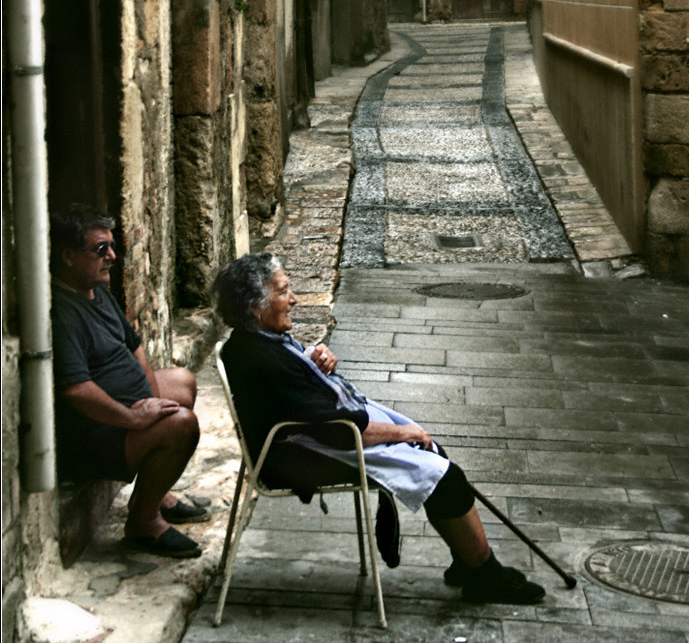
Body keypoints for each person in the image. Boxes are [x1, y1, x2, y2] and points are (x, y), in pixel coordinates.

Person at [212, 252, 545, 604]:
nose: (293, 299)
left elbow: (295, 383)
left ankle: (469, 562)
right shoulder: (261, 358)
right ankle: (484, 573)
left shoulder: (256, 340)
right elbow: (337, 427)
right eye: (283, 292)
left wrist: (315, 360)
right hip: (303, 452)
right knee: (444, 476)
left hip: (308, 437)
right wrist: (404, 433)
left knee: (434, 456)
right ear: (254, 307)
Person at [50, 204, 209, 558]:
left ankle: (154, 491)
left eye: (111, 245)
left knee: (182, 382)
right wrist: (135, 418)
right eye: (100, 249)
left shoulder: (96, 291)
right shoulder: (61, 313)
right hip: (94, 433)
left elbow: (134, 346)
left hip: (125, 410)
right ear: (68, 256)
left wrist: (149, 397)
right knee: (182, 424)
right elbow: (76, 389)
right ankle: (143, 523)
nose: (112, 256)